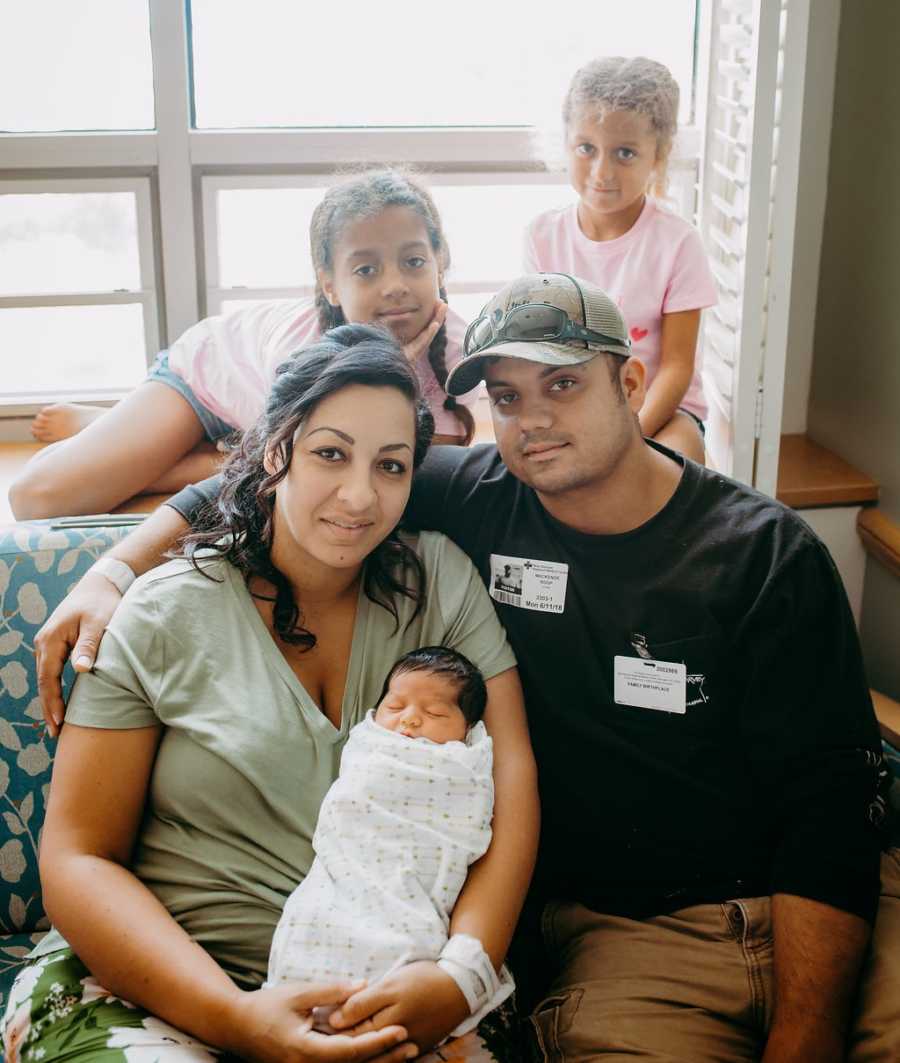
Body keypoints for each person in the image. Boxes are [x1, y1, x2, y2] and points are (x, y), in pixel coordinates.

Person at [32, 275, 900, 1061]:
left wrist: (804, 1036)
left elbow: (831, 809)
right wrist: (115, 569)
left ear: (632, 385)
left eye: (564, 383)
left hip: (825, 914)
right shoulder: (472, 497)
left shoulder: (762, 554)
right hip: (635, 939)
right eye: (509, 397)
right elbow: (288, 463)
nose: (536, 421)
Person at [5, 326, 538, 1062]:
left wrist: (459, 976)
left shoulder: (440, 581)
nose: (360, 495)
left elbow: (509, 785)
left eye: (391, 465)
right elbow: (78, 855)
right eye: (330, 453)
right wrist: (233, 1016)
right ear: (275, 449)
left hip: (394, 990)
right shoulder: (165, 609)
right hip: (160, 989)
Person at [12, 169, 478, 520]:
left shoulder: (459, 351)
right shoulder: (298, 348)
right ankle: (148, 438)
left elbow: (419, 472)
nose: (395, 285)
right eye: (366, 270)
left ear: (441, 261)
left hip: (257, 436)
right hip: (208, 385)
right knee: (39, 497)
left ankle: (130, 442)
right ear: (330, 285)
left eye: (413, 261)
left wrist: (397, 372)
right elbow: (273, 468)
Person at [270, 647, 514, 1041]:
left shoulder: (461, 765)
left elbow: (468, 824)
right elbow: (351, 800)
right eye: (395, 705)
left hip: (411, 877)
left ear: (468, 730)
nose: (409, 719)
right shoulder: (372, 745)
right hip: (347, 874)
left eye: (434, 713)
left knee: (408, 936)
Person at [523, 56, 716, 462]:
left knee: (675, 471)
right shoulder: (543, 236)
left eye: (624, 153)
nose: (602, 172)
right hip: (573, 406)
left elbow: (677, 367)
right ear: (566, 143)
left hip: (662, 412)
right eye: (586, 148)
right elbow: (540, 349)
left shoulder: (678, 242)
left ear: (658, 155)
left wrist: (629, 437)